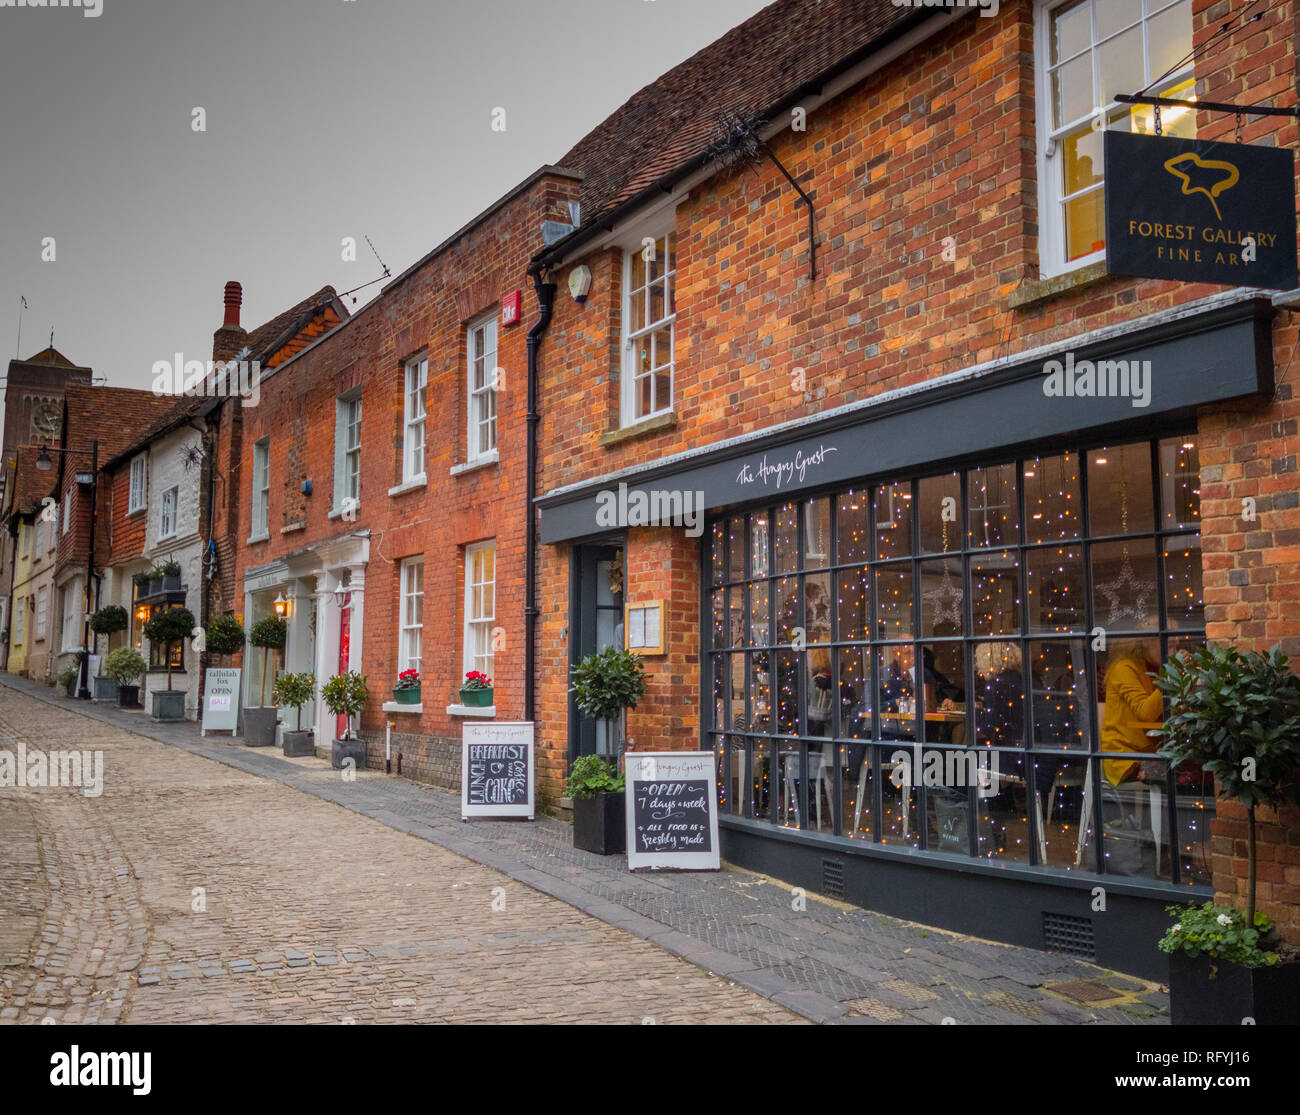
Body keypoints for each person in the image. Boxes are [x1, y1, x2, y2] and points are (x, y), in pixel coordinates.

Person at [1101, 641, 1164, 787]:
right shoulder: (1124, 669)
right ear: (1147, 644)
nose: (1173, 651)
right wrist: (1170, 678)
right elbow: (1146, 713)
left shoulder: (1154, 668)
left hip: (1152, 753)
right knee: (1186, 775)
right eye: (1170, 645)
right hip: (1128, 758)